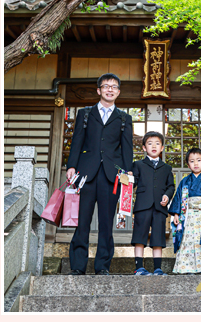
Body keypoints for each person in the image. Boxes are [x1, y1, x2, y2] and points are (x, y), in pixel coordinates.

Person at [66, 73, 133, 276]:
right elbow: (77, 141)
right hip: (86, 173)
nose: (110, 89)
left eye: (114, 87)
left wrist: (127, 172)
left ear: (118, 92)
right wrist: (71, 165)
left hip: (111, 177)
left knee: (106, 222)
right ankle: (78, 265)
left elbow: (127, 148)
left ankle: (102, 265)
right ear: (99, 90)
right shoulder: (85, 114)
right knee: (82, 221)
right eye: (106, 86)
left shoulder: (124, 118)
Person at [130, 131, 175, 276]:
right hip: (142, 205)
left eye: (157, 143)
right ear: (144, 148)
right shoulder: (137, 165)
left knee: (158, 237)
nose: (153, 146)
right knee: (139, 235)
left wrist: (167, 197)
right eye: (150, 143)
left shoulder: (167, 168)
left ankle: (158, 268)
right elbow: (134, 183)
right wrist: (129, 178)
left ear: (162, 148)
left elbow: (171, 186)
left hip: (160, 207)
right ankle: (139, 268)